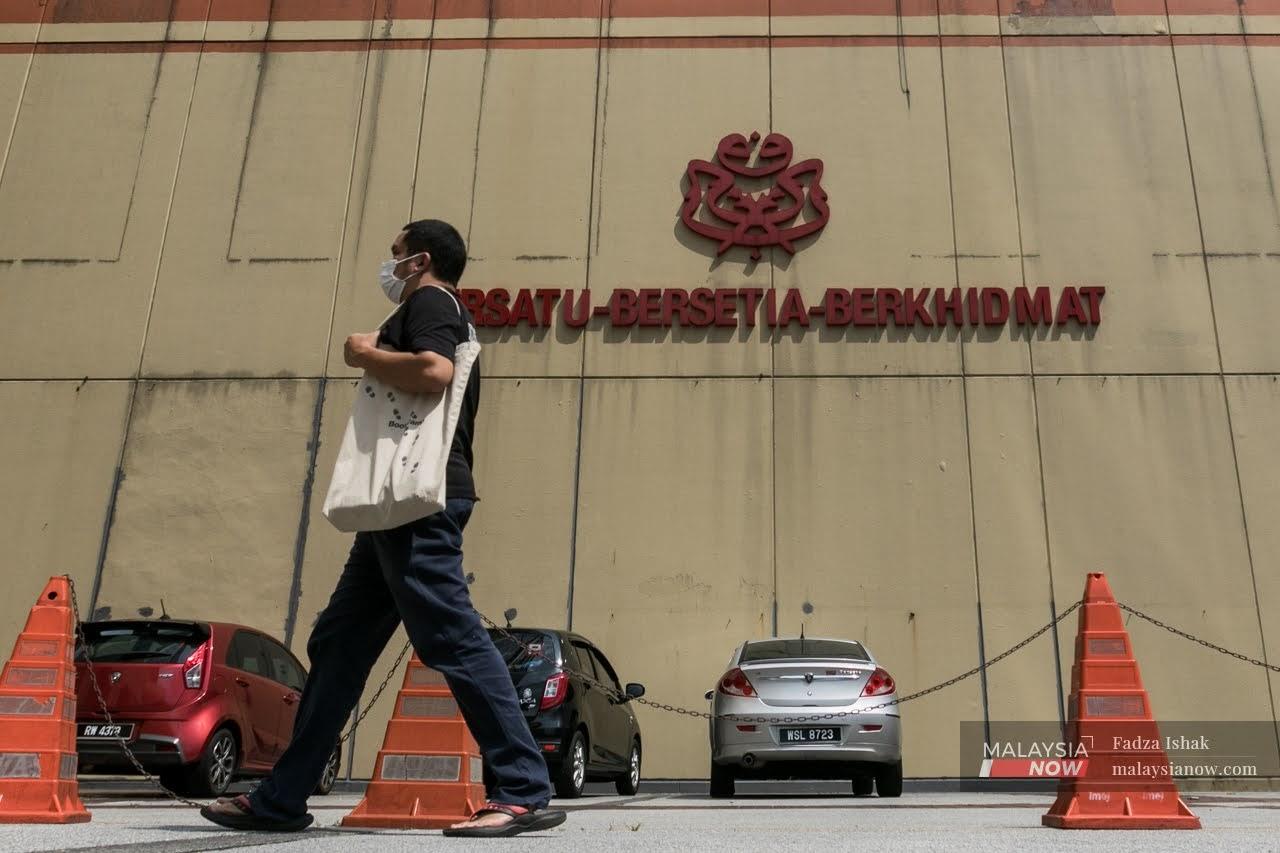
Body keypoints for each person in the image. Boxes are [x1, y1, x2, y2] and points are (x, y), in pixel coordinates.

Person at [200, 219, 564, 838]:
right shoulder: (437, 304)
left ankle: (523, 789)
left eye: (394, 253)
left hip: (417, 503)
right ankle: (282, 797)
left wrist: (364, 353)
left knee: (451, 638)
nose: (388, 264)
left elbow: (434, 372)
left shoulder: (430, 300)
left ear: (419, 258)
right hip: (397, 508)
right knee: (339, 641)